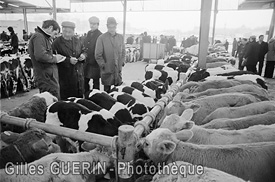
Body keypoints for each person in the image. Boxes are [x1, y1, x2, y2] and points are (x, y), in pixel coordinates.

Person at [28, 20, 63, 99]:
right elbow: (40, 56)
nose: (54, 37)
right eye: (55, 33)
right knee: (51, 99)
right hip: (46, 76)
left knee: (52, 98)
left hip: (47, 75)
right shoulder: (39, 37)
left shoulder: (42, 37)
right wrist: (55, 58)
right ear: (50, 28)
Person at [52, 21, 86, 100]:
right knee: (67, 101)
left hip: (78, 75)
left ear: (74, 32)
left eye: (69, 32)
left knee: (79, 100)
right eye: (65, 31)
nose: (67, 34)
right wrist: (68, 60)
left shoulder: (78, 41)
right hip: (65, 76)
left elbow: (84, 50)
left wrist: (83, 55)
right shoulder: (56, 43)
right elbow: (53, 58)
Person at [95, 17, 125, 93]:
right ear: (107, 27)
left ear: (116, 26)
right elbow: (98, 54)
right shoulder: (101, 38)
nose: (112, 29)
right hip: (107, 68)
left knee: (118, 91)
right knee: (107, 91)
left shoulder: (120, 37)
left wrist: (122, 62)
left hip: (117, 68)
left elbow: (123, 51)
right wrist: (103, 64)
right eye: (110, 27)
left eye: (113, 27)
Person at [83, 16, 102, 92]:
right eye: (91, 24)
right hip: (87, 61)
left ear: (98, 25)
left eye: (94, 24)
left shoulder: (100, 35)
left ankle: (96, 97)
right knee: (85, 80)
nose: (92, 25)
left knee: (96, 82)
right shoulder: (88, 33)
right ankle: (87, 96)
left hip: (95, 62)